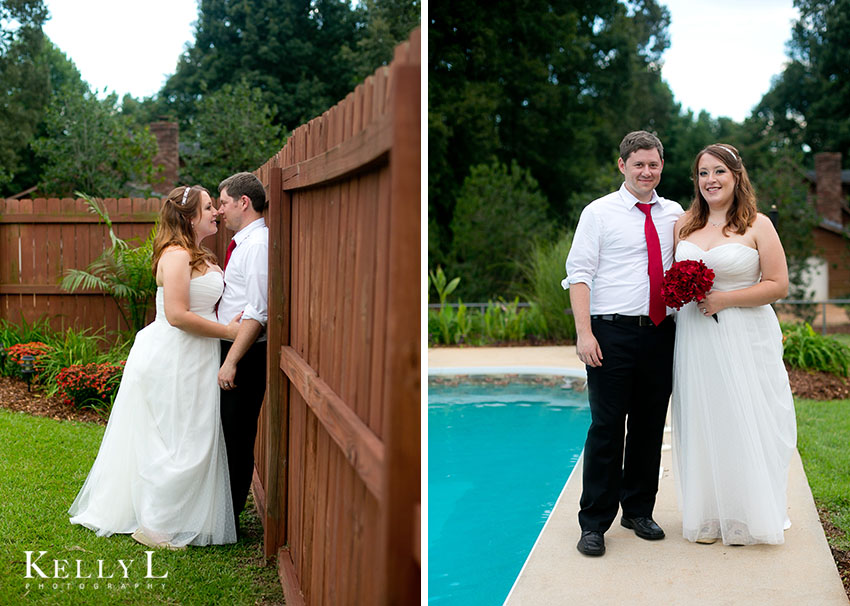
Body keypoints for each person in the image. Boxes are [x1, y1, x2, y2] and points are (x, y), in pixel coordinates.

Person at [69, 185, 242, 549]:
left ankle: (184, 515)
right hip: (174, 356)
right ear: (190, 216)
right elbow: (178, 315)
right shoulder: (176, 255)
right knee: (176, 439)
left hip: (198, 355)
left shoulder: (201, 254)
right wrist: (228, 330)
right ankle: (155, 525)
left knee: (194, 435)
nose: (216, 212)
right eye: (209, 207)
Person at [563, 130, 684, 557]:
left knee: (650, 427)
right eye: (638, 165)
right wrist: (584, 333)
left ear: (661, 166)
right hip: (610, 333)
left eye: (653, 164)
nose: (646, 171)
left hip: (661, 333)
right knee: (607, 428)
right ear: (623, 166)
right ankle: (594, 522)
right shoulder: (598, 213)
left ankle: (638, 510)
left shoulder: (675, 214)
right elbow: (579, 273)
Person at [671, 143, 796, 546]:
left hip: (745, 335)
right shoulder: (684, 226)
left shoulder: (758, 225)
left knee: (747, 416)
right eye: (703, 173)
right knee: (703, 418)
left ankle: (746, 517)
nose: (711, 180)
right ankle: (707, 515)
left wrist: (724, 298)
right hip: (696, 336)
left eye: (719, 171)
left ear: (737, 176)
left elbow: (778, 284)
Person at [215, 172, 269, 533]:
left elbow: (258, 311)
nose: (219, 211)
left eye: (223, 203)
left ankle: (228, 523)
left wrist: (231, 360)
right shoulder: (244, 242)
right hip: (230, 346)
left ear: (242, 202)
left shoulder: (257, 245)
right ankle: (220, 515)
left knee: (236, 438)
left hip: (245, 355)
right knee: (225, 433)